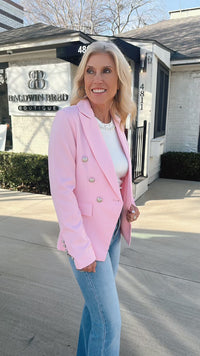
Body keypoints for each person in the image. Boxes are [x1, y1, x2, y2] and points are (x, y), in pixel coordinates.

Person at [48, 41, 140, 356]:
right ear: (82, 78)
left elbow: (115, 176)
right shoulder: (69, 120)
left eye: (105, 71)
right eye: (90, 71)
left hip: (112, 233)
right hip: (86, 239)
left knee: (95, 314)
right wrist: (80, 249)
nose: (96, 79)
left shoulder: (116, 122)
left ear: (119, 80)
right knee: (110, 324)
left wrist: (128, 205)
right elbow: (62, 191)